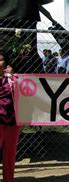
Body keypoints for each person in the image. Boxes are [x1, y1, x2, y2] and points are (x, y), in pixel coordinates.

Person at [0, 53, 19, 182]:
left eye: (0, 60)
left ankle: (9, 179)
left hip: (12, 121)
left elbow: (23, 94)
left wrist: (13, 77)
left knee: (10, 153)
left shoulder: (12, 78)